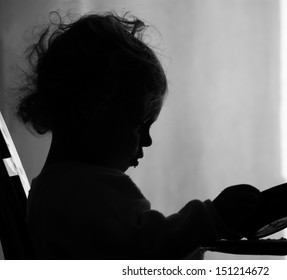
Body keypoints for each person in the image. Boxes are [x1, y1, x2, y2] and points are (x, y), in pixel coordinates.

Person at [15, 11, 264, 259]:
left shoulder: (56, 188)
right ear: (88, 110)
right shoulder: (83, 191)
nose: (147, 141)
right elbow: (151, 251)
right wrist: (212, 218)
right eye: (139, 124)